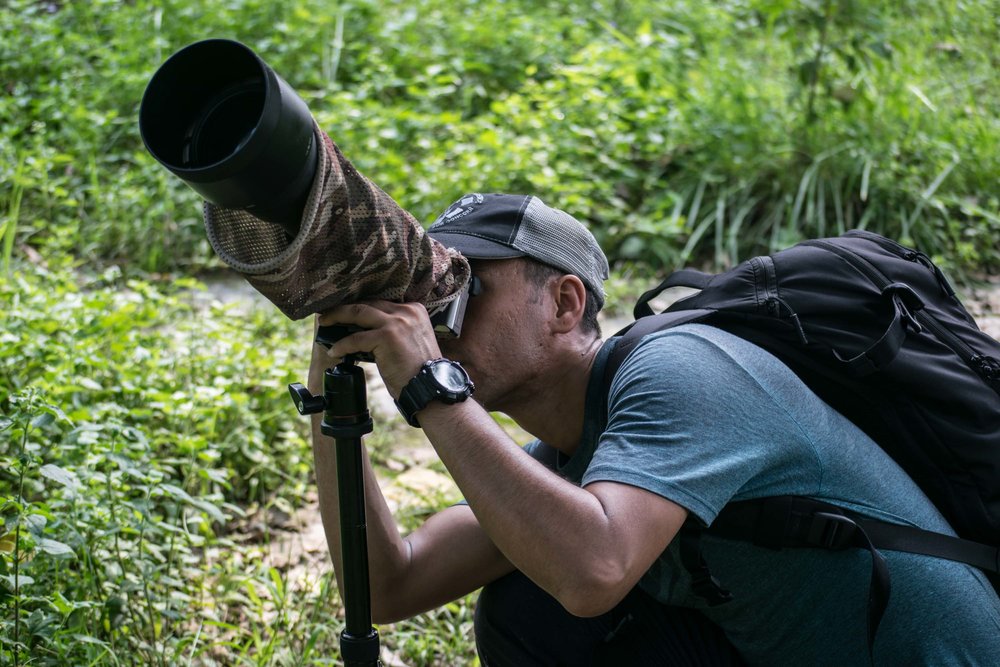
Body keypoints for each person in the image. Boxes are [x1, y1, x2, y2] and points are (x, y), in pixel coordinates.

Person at [308, 193, 1000, 665]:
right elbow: (390, 583)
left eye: (464, 290)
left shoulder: (679, 372)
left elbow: (594, 568)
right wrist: (327, 377)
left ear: (564, 301)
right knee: (526, 612)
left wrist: (434, 384)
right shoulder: (577, 455)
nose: (437, 318)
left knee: (558, 594)